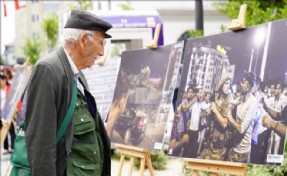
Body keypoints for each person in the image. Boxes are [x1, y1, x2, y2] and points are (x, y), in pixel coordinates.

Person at [24, 10, 112, 176]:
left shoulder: (78, 76)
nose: (101, 52)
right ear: (84, 40)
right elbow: (41, 146)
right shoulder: (48, 70)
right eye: (101, 43)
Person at [199, 73, 234, 161]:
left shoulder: (230, 101)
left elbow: (225, 124)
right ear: (221, 83)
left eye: (229, 84)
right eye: (226, 83)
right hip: (209, 140)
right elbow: (209, 119)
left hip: (220, 146)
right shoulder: (215, 97)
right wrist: (207, 113)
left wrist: (215, 110)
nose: (228, 86)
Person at [225, 72, 257, 163]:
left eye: (243, 82)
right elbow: (231, 102)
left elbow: (242, 129)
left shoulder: (253, 102)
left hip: (243, 151)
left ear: (249, 85)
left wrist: (230, 118)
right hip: (234, 146)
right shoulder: (241, 98)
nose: (241, 84)